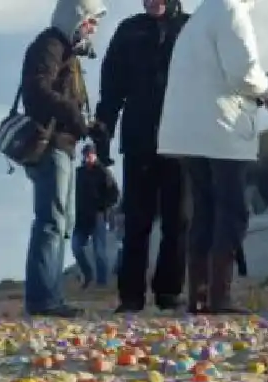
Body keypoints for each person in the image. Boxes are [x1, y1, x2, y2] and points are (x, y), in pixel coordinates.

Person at [157, 0, 268, 314]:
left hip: (190, 131)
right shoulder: (231, 11)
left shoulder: (201, 16)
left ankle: (198, 295)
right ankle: (218, 296)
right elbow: (244, 74)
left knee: (205, 211)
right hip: (222, 129)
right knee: (231, 212)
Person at [96, 0, 189, 312]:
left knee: (178, 219)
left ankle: (169, 291)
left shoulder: (191, 29)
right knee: (137, 219)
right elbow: (111, 89)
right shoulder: (129, 30)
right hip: (139, 139)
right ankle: (131, 295)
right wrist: (103, 133)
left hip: (181, 138)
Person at [19, 0, 106, 317]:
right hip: (51, 144)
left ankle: (50, 295)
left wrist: (88, 125)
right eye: (90, 21)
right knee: (51, 222)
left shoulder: (65, 51)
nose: (93, 29)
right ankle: (43, 298)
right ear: (76, 18)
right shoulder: (50, 46)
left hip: (64, 144)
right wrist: (72, 113)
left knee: (61, 222)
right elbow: (37, 89)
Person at [71, 143, 119, 288]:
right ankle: (88, 274)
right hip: (81, 217)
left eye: (90, 154)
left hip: (98, 216)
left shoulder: (103, 172)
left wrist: (103, 206)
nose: (87, 157)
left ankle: (101, 283)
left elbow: (114, 194)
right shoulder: (79, 173)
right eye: (85, 155)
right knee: (76, 246)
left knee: (99, 251)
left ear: (95, 155)